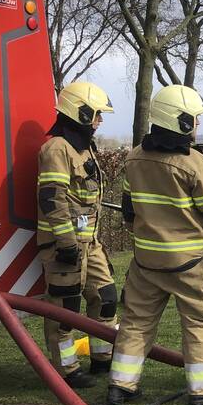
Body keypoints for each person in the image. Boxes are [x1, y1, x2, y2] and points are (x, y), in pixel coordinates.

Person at [107, 85, 203, 405]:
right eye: (194, 119)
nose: (197, 126)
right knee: (198, 320)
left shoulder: (134, 158)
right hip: (187, 263)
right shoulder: (194, 163)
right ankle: (202, 390)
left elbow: (128, 210)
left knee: (136, 320)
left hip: (145, 262)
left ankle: (120, 385)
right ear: (181, 122)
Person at [37, 81, 118, 388]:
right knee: (65, 309)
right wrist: (66, 242)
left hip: (90, 242)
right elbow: (52, 199)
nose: (100, 121)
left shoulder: (83, 146)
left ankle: (102, 358)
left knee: (106, 297)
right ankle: (66, 370)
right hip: (64, 246)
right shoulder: (57, 149)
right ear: (80, 113)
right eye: (97, 115)